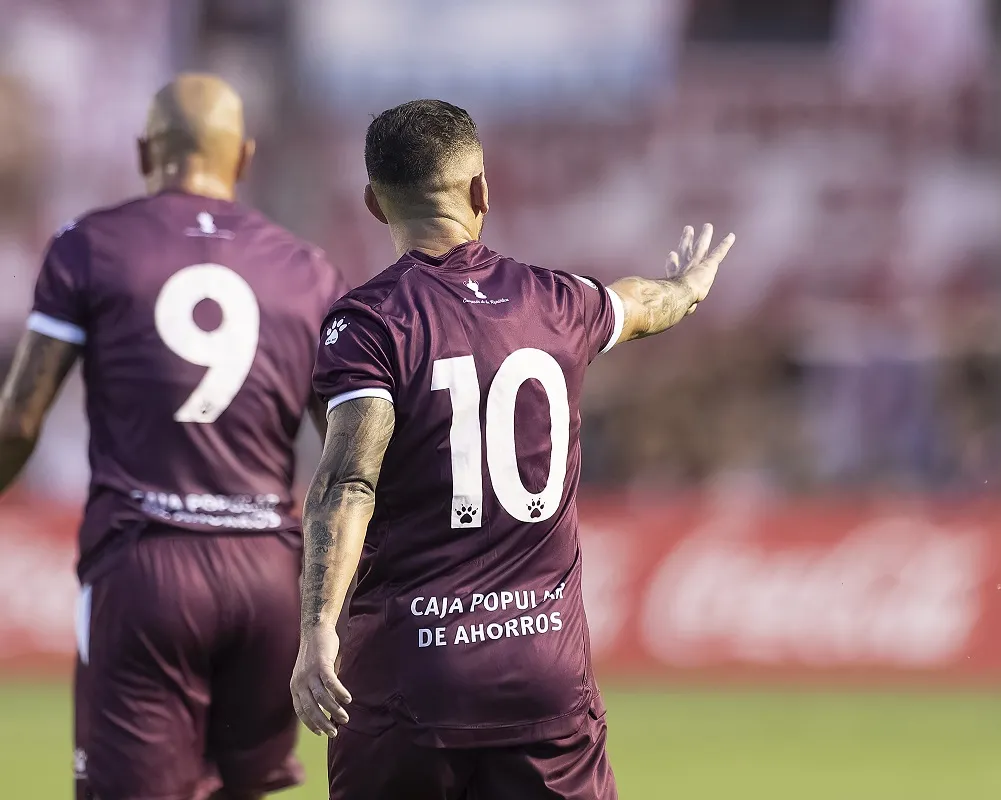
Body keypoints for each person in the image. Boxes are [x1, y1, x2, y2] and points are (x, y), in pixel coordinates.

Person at [291, 99, 735, 800]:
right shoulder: (557, 303)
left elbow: (348, 481)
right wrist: (688, 286)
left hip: (411, 679)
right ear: (481, 192)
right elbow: (644, 304)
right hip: (543, 676)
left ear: (375, 204)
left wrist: (317, 626)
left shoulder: (372, 325)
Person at [0, 73, 345, 800]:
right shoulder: (308, 271)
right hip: (267, 570)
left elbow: (18, 421)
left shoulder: (90, 247)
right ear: (243, 157)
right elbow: (345, 453)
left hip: (147, 566)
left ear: (142, 151)